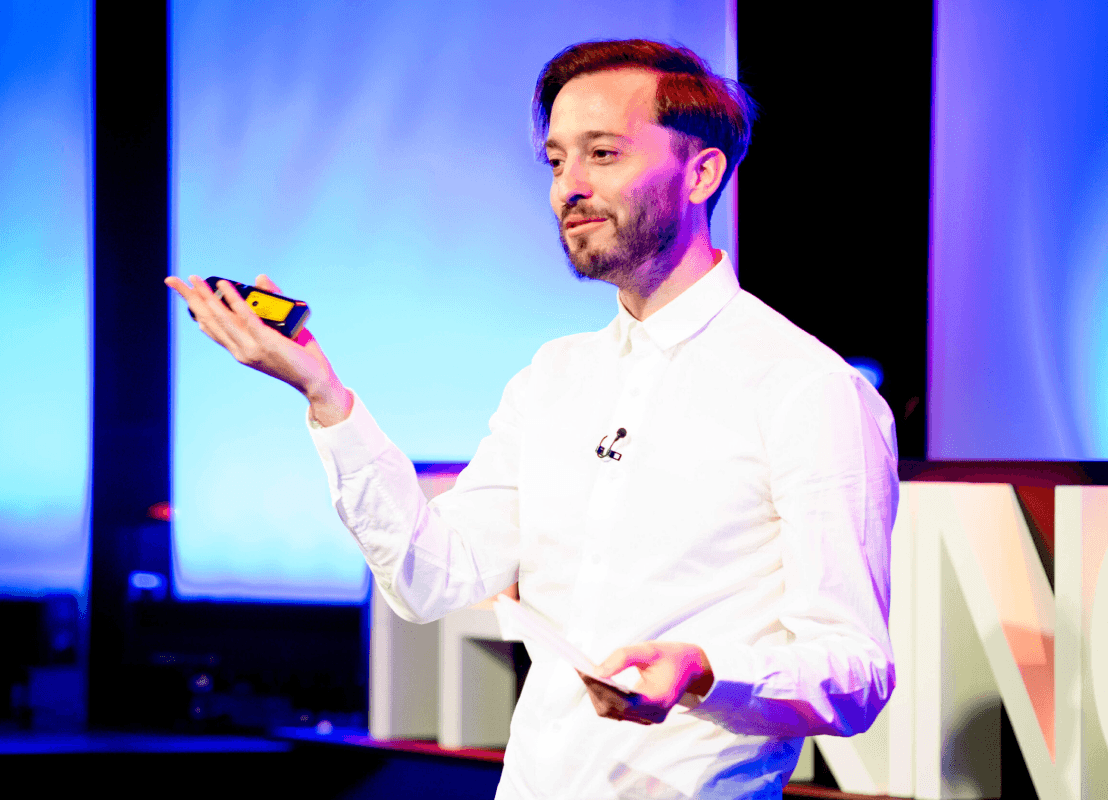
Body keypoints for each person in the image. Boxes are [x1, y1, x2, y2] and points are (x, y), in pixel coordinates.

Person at [167, 39, 898, 800]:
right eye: (556, 161)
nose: (568, 188)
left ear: (702, 173)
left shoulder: (808, 389)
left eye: (602, 154)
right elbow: (431, 578)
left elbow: (854, 672)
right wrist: (326, 396)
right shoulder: (554, 376)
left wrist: (704, 670)